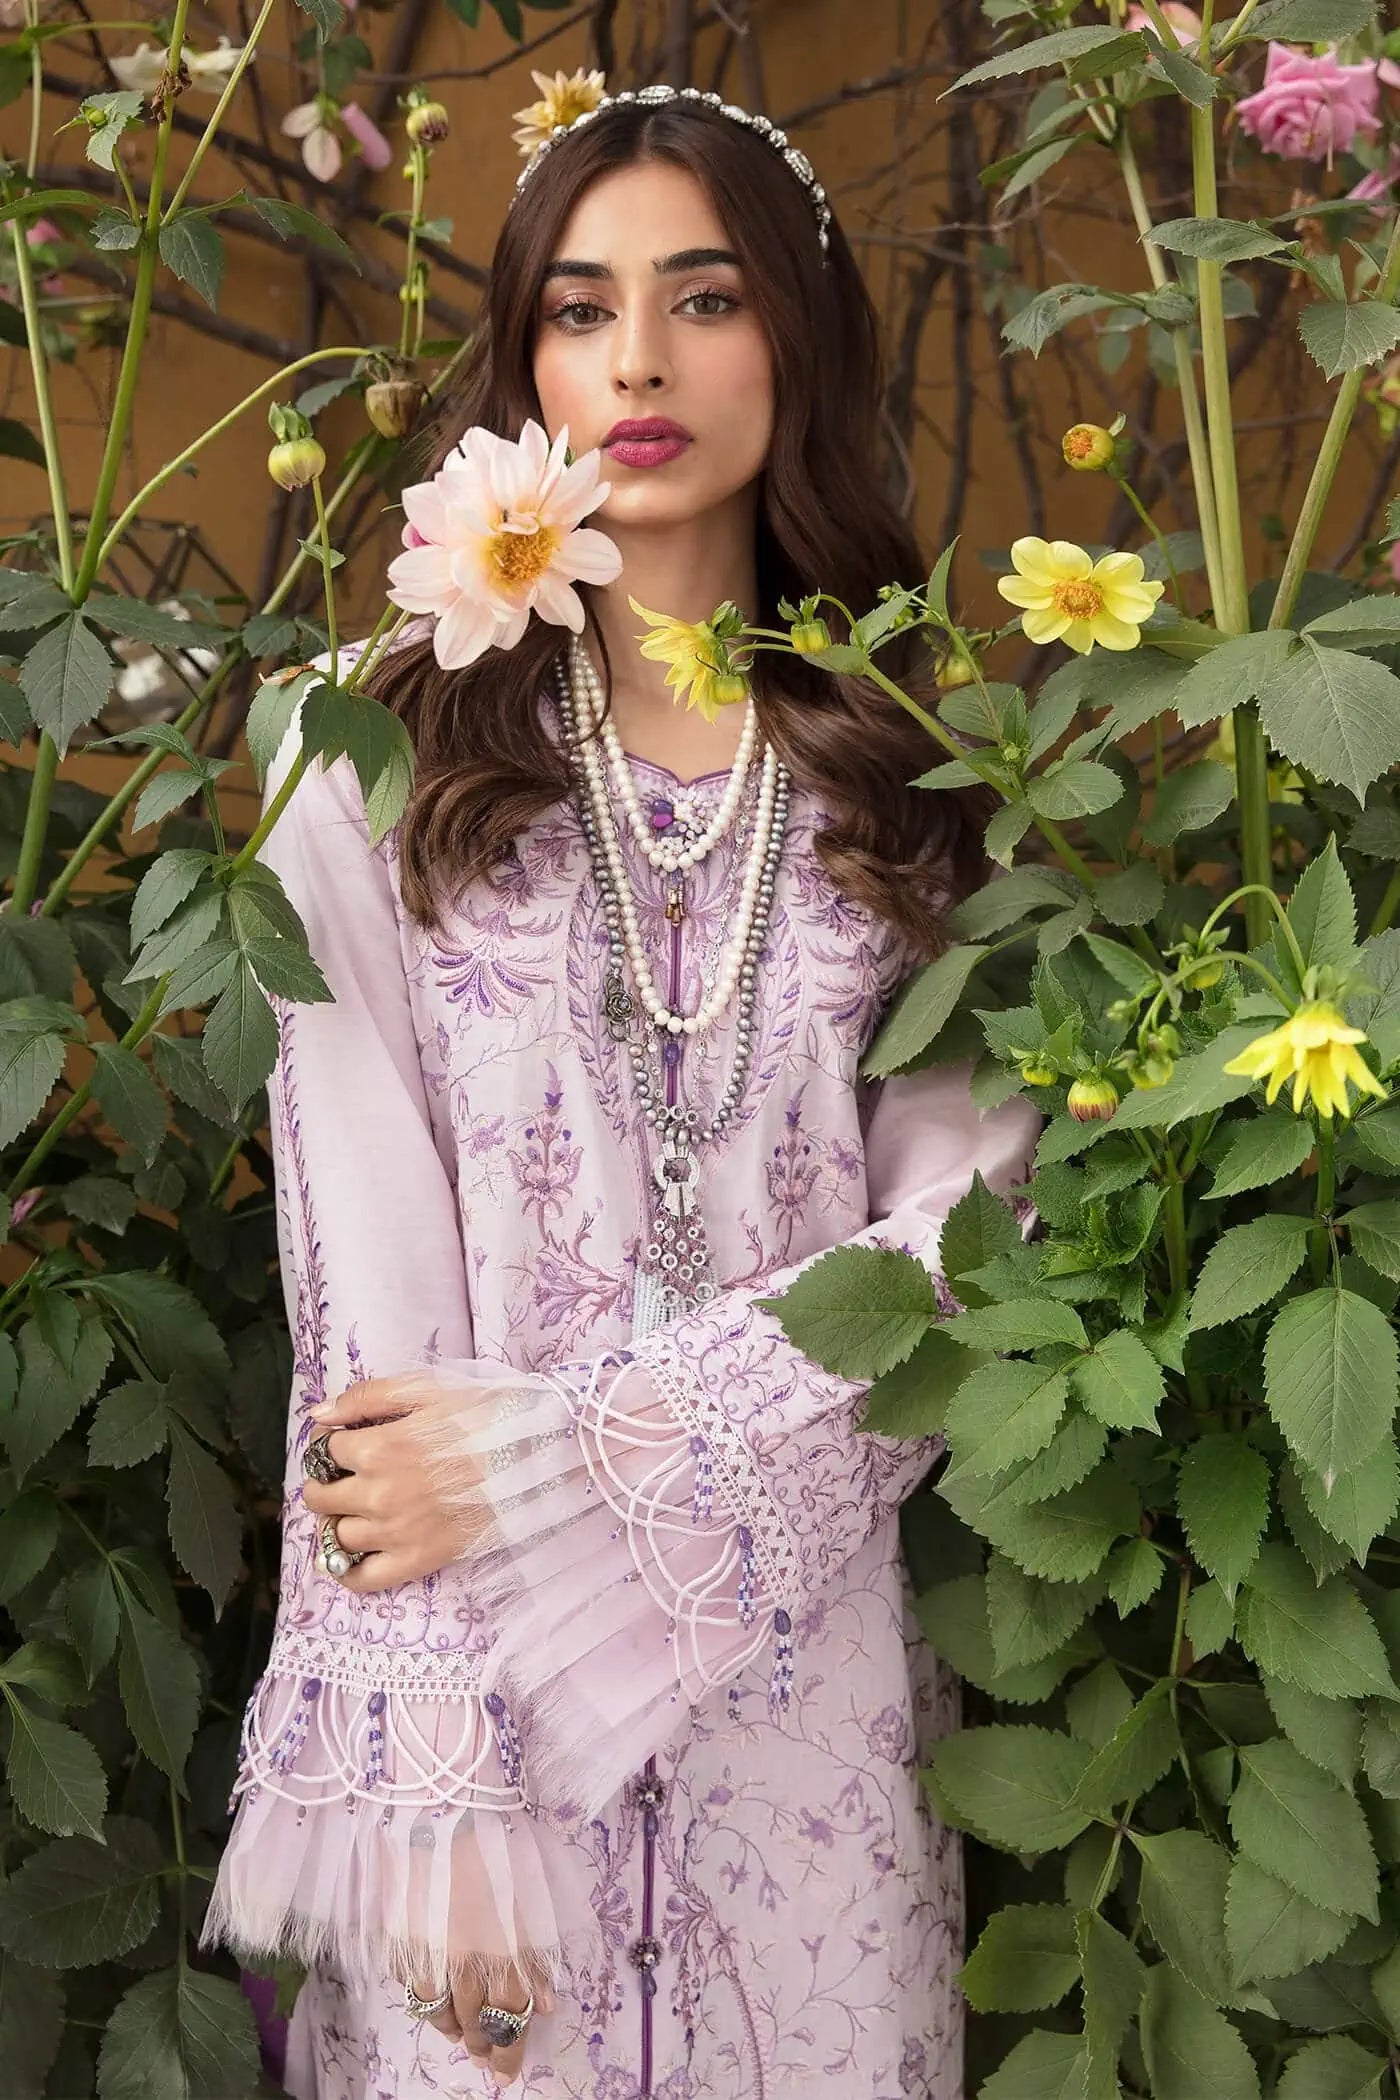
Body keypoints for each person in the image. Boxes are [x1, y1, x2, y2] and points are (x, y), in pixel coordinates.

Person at [202, 81, 1038, 2100]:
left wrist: (574, 1454)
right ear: (526, 362)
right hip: (485, 1737)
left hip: (811, 1733)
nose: (640, 360)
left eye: (706, 298)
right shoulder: (372, 772)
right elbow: (366, 1332)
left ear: (798, 342)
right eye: (582, 310)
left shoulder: (924, 782)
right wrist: (435, 1824)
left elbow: (970, 1254)